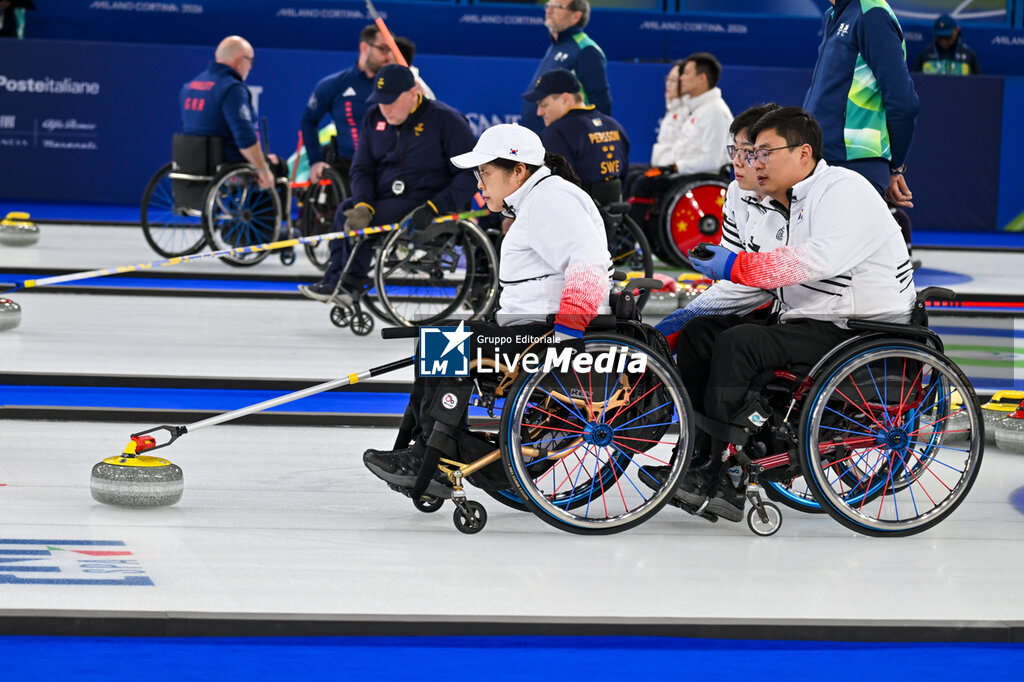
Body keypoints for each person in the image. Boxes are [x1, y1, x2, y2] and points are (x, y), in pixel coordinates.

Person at [648, 107, 915, 523]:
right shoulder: (757, 195)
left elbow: (815, 263)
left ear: (804, 153)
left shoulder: (844, 190)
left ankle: (729, 476)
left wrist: (737, 266)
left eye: (762, 153)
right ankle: (701, 459)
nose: (752, 163)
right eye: (747, 152)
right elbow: (747, 283)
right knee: (702, 334)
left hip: (859, 325)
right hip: (803, 316)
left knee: (741, 343)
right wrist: (675, 324)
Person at [361, 123, 613, 500]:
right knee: (437, 341)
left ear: (518, 171)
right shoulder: (536, 199)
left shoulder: (552, 200)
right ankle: (423, 454)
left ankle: (435, 459)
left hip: (548, 337)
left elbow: (589, 265)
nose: (480, 184)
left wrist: (567, 337)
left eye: (485, 173)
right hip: (530, 331)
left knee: (447, 346)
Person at [298, 64, 477, 302]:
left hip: (426, 201)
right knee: (349, 210)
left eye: (391, 101)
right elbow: (362, 168)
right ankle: (337, 280)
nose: (385, 109)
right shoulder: (373, 118)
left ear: (414, 93)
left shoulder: (447, 121)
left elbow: (470, 175)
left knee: (365, 215)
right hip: (386, 197)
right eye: (380, 101)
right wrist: (363, 204)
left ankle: (348, 283)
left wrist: (434, 207)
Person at [803, 0, 919, 210]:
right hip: (820, 160)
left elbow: (904, 103)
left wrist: (896, 166)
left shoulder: (873, 14)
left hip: (855, 164)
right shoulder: (833, 14)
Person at [626, 52, 733, 230]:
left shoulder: (715, 112)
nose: (681, 78)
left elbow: (712, 161)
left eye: (686, 73)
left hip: (700, 176)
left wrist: (676, 167)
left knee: (643, 182)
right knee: (633, 176)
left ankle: (629, 240)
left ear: (702, 78)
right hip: (683, 172)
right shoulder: (698, 109)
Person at [300, 25, 396, 187]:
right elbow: (309, 121)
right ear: (364, 47)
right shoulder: (334, 84)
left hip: (390, 169)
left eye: (392, 50)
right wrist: (315, 161)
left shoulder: (400, 86)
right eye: (383, 49)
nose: (389, 56)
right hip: (348, 170)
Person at [180, 36, 277, 190]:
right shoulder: (232, 89)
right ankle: (268, 215)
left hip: (191, 162)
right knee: (278, 168)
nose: (251, 67)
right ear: (240, 60)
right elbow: (246, 139)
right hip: (226, 164)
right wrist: (263, 169)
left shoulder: (190, 86)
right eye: (250, 61)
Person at [521, 68, 629, 204]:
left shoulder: (557, 133)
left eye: (544, 104)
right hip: (615, 219)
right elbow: (624, 179)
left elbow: (556, 191)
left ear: (565, 99)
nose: (539, 112)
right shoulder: (615, 126)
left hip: (576, 218)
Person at [519, 0, 611, 134]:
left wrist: (596, 140)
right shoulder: (556, 46)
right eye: (548, 6)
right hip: (541, 137)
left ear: (576, 16)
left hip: (564, 140)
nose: (549, 11)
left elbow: (600, 101)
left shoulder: (586, 49)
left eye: (557, 7)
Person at [914, 14, 980, 75]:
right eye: (940, 37)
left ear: (956, 31)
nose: (943, 42)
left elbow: (977, 83)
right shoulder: (925, 53)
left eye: (947, 37)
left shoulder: (969, 54)